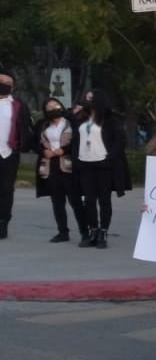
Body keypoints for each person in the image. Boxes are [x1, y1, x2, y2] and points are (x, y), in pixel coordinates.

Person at [71, 89, 131, 249]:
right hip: (85, 163)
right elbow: (76, 141)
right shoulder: (81, 119)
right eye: (86, 98)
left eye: (91, 98)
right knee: (89, 201)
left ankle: (103, 232)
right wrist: (76, 159)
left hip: (103, 164)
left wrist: (109, 159)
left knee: (104, 200)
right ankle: (93, 231)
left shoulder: (110, 120)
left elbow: (119, 142)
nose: (88, 101)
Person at [34, 96, 86, 243]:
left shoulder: (71, 123)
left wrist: (63, 150)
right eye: (49, 107)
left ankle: (85, 232)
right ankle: (63, 232)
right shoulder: (43, 125)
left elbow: (78, 141)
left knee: (75, 200)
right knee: (57, 201)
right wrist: (44, 151)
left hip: (69, 163)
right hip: (50, 165)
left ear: (61, 106)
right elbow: (34, 142)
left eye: (55, 105)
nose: (53, 109)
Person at [0, 67, 34, 239]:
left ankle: (3, 222)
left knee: (6, 190)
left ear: (13, 87)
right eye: (1, 82)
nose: (3, 85)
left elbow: (26, 128)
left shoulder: (18, 105)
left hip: (8, 153)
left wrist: (23, 145)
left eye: (8, 83)